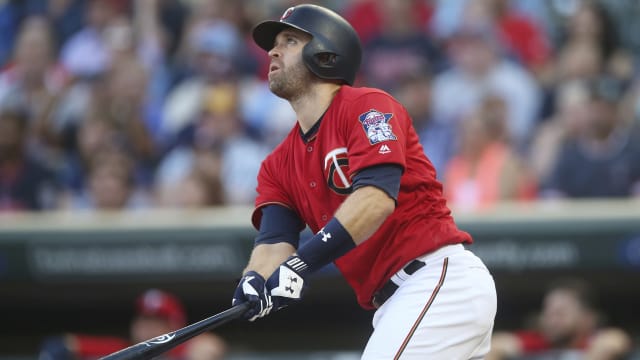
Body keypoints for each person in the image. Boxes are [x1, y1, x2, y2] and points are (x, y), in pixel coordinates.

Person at [231, 4, 497, 359]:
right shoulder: (276, 165)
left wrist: (299, 266)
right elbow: (274, 240)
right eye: (273, 44)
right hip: (395, 305)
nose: (273, 51)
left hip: (436, 281)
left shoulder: (367, 105)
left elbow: (375, 199)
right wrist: (255, 280)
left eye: (289, 41)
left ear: (325, 53)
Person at [39, 289, 227, 360]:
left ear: (174, 326)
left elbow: (210, 347)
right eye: (144, 319)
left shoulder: (184, 350)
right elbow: (61, 344)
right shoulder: (121, 350)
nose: (146, 327)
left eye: (157, 321)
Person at [487, 278, 632, 360]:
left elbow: (615, 341)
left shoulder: (595, 340)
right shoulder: (538, 341)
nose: (551, 321)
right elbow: (496, 346)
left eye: (560, 314)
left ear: (587, 318)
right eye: (548, 313)